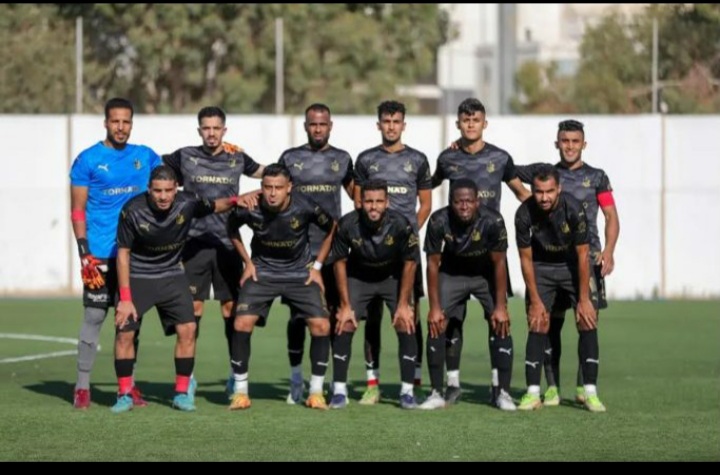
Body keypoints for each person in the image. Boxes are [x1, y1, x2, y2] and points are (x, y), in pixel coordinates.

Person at [112, 165, 240, 413]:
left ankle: (182, 392)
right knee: (124, 334)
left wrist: (239, 199)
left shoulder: (187, 202)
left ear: (176, 189)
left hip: (172, 275)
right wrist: (125, 299)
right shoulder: (132, 210)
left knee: (188, 329)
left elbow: (217, 205)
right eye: (157, 191)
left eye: (168, 191)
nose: (163, 196)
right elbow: (123, 255)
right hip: (138, 277)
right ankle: (124, 393)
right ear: (148, 189)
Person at [431, 98, 530, 405]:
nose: (471, 125)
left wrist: (545, 217)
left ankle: (500, 390)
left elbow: (522, 193)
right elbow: (427, 186)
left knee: (498, 320)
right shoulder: (447, 158)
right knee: (447, 322)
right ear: (458, 124)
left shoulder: (500, 158)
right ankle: (450, 385)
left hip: (490, 258)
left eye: (476, 120)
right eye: (466, 120)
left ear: (484, 123)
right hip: (454, 258)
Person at [515, 119, 619, 406]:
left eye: (575, 141)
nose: (570, 146)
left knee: (587, 318)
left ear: (584, 144)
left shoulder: (597, 177)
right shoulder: (545, 175)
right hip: (547, 261)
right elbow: (505, 168)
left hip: (586, 258)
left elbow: (611, 216)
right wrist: (525, 197)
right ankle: (551, 386)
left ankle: (585, 386)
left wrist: (609, 250)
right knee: (549, 324)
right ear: (557, 143)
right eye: (565, 141)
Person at [163, 106, 264, 396]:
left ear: (224, 130)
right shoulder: (184, 156)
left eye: (216, 128)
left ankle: (235, 375)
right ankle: (188, 378)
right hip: (191, 245)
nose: (211, 133)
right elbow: (154, 169)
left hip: (227, 244)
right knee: (192, 310)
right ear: (199, 131)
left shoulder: (237, 157)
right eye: (206, 128)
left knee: (231, 310)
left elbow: (267, 174)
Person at [68, 97, 162, 409]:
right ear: (106, 123)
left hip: (135, 255)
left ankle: (128, 385)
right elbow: (78, 210)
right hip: (99, 254)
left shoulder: (145, 156)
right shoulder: (87, 160)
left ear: (131, 124)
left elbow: (171, 180)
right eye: (115, 121)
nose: (121, 127)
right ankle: (82, 386)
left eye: (126, 122)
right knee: (94, 316)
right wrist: (83, 251)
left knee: (130, 323)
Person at [226, 163, 336, 410]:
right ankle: (240, 393)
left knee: (321, 325)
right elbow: (230, 228)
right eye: (268, 187)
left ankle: (316, 392)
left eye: (278, 187)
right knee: (241, 323)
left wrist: (317, 267)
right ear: (261, 187)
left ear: (289, 188)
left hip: (300, 274)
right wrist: (247, 262)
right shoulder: (250, 207)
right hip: (263, 272)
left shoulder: (306, 206)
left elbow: (332, 228)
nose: (272, 193)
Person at [353, 100, 432, 404]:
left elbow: (425, 204)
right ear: (379, 125)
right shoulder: (366, 160)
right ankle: (372, 383)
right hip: (372, 251)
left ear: (403, 125)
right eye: (386, 121)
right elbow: (359, 202)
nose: (391, 126)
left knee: (410, 315)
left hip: (405, 254)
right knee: (372, 316)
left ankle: (413, 381)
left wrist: (409, 234)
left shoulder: (418, 160)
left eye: (396, 121)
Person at [277, 103, 354, 405]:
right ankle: (296, 378)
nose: (318, 129)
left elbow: (360, 199)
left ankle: (334, 383)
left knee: (334, 314)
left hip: (332, 250)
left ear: (330, 126)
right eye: (313, 124)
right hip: (297, 250)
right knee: (298, 317)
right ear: (306, 126)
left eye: (323, 124)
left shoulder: (342, 159)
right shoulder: (290, 158)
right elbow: (276, 193)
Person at [420, 179, 516, 411]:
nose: (464, 206)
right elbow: (432, 264)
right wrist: (434, 308)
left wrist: (500, 306)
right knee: (437, 323)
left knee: (500, 323)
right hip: (452, 273)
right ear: (450, 202)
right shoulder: (438, 220)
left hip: (485, 274)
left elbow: (499, 263)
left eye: (469, 201)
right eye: (458, 202)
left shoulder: (493, 221)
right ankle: (437, 392)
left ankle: (501, 391)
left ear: (477, 202)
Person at [330, 179, 420, 409]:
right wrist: (345, 305)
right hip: (360, 277)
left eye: (379, 201)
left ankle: (407, 392)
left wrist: (403, 304)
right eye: (369, 201)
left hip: (391, 277)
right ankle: (339, 391)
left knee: (405, 322)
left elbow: (410, 263)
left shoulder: (401, 224)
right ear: (360, 202)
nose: (373, 206)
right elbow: (339, 263)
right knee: (345, 323)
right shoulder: (347, 224)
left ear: (387, 202)